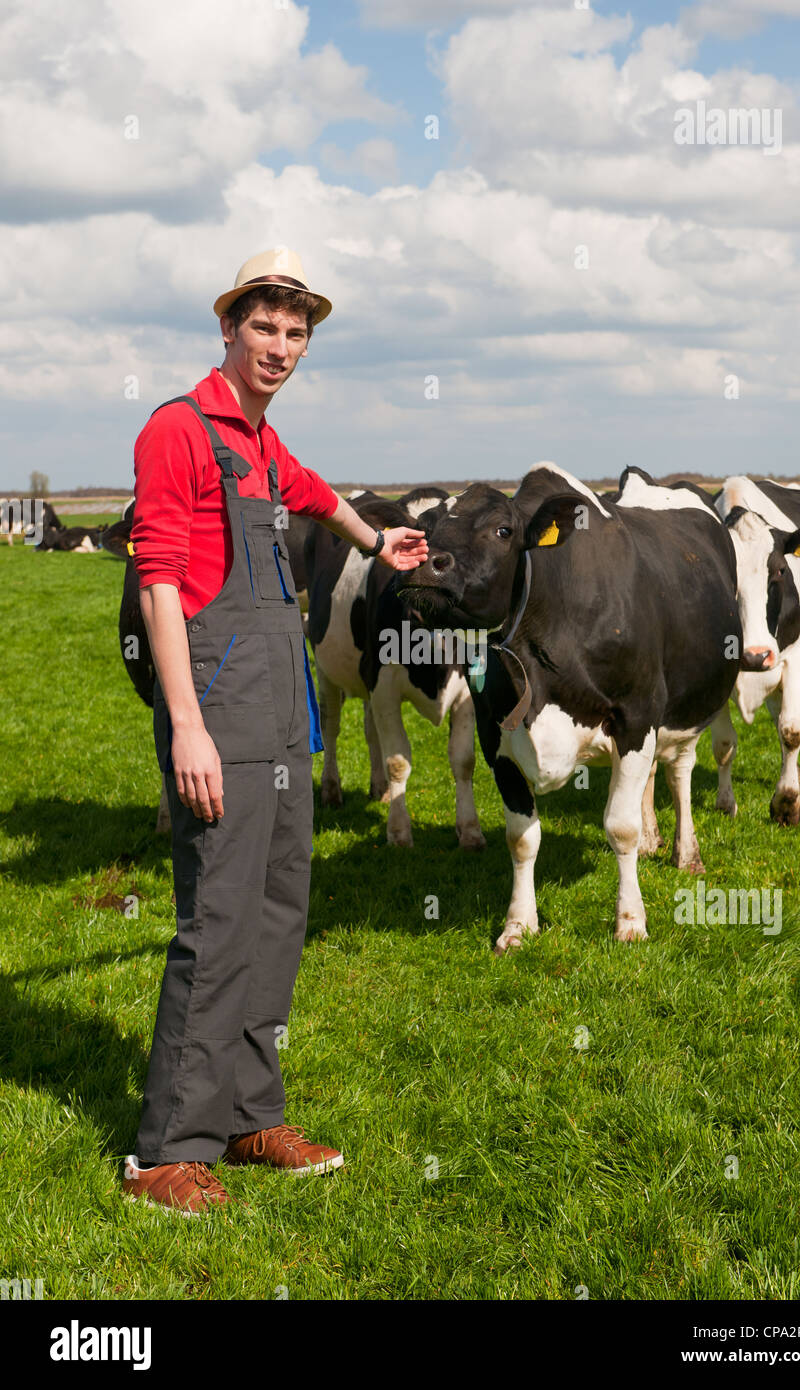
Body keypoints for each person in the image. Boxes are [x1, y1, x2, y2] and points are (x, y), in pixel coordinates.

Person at [122, 248, 428, 1214]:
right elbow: (159, 583)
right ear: (228, 327)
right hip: (217, 711)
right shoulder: (178, 429)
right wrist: (186, 729)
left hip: (285, 714)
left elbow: (313, 492)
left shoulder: (261, 440)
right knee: (215, 926)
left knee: (278, 917)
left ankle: (251, 1114)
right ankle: (166, 1150)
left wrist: (380, 542)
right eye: (265, 327)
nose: (281, 347)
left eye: (297, 334)